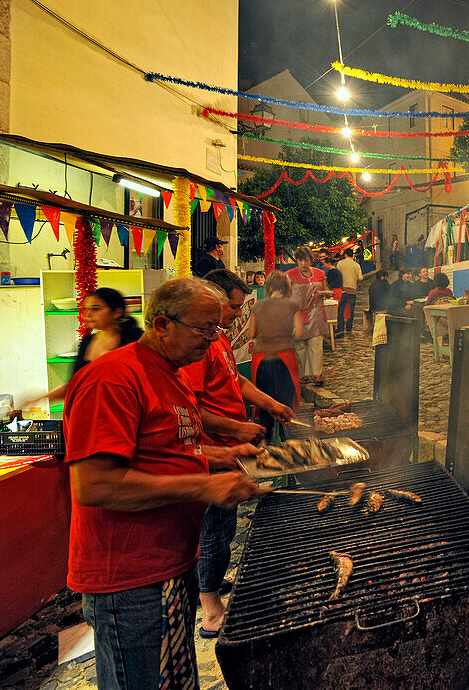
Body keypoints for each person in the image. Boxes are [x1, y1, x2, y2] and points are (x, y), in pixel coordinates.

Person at [64, 277, 269, 689]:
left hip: (172, 565)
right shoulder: (113, 378)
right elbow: (95, 485)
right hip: (128, 578)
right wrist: (203, 487)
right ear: (162, 324)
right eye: (203, 330)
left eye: (217, 331)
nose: (212, 343)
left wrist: (223, 455)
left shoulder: (171, 374)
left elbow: (169, 448)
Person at [183, 270, 296, 639]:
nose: (236, 314)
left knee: (226, 524)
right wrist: (235, 429)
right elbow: (192, 408)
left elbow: (238, 382)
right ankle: (211, 608)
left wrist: (272, 404)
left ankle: (213, 581)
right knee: (214, 530)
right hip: (213, 448)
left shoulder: (219, 339)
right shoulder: (198, 348)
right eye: (232, 306)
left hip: (231, 447)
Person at [33, 288, 143, 404]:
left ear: (116, 312)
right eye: (86, 309)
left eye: (95, 309)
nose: (88, 314)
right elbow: (73, 385)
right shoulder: (87, 341)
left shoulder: (135, 341)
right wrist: (40, 398)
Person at [248, 270, 303, 442]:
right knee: (285, 401)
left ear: (269, 287)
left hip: (261, 358)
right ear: (287, 287)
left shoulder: (258, 306)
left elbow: (251, 334)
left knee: (265, 401)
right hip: (285, 357)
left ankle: (265, 442)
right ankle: (288, 441)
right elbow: (300, 333)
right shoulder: (293, 305)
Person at [285, 247, 330, 386]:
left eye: (306, 260)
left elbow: (325, 289)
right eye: (300, 260)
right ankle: (303, 375)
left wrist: (327, 293)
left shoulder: (320, 273)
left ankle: (317, 375)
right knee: (300, 346)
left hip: (316, 313)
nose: (303, 263)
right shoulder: (289, 275)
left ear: (311, 260)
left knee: (316, 345)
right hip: (298, 315)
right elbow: (285, 294)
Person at [335, 247, 363, 336]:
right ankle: (349, 328)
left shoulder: (340, 263)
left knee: (341, 309)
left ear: (345, 255)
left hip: (342, 290)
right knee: (351, 310)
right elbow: (360, 277)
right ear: (352, 255)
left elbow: (337, 274)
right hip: (352, 290)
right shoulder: (356, 265)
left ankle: (341, 328)